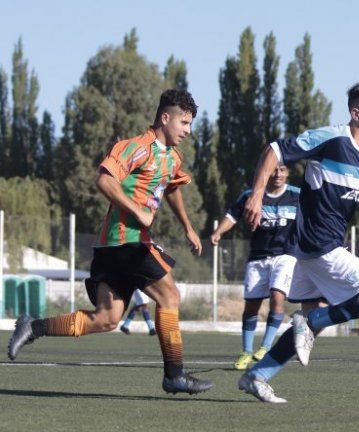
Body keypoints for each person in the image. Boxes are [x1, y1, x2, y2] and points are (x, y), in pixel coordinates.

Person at [236, 80, 359, 403]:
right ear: (355, 113)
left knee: (312, 321)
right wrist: (257, 195)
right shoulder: (330, 138)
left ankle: (257, 375)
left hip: (310, 248)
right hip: (320, 245)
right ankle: (309, 321)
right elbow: (273, 151)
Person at [7, 89, 213, 394]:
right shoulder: (137, 147)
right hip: (126, 242)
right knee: (169, 296)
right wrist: (138, 212)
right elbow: (104, 179)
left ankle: (33, 326)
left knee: (107, 319)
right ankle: (174, 374)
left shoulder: (172, 158)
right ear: (165, 118)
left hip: (112, 248)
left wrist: (188, 227)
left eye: (190, 124)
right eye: (184, 122)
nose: (188, 130)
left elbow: (171, 187)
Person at [210, 165, 300, 370]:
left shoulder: (297, 196)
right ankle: (246, 351)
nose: (278, 175)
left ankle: (266, 347)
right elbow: (232, 216)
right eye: (274, 170)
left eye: (283, 170)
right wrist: (218, 233)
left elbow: (317, 215)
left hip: (285, 256)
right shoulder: (251, 196)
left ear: (288, 173)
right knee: (252, 306)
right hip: (258, 258)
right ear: (266, 172)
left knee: (278, 297)